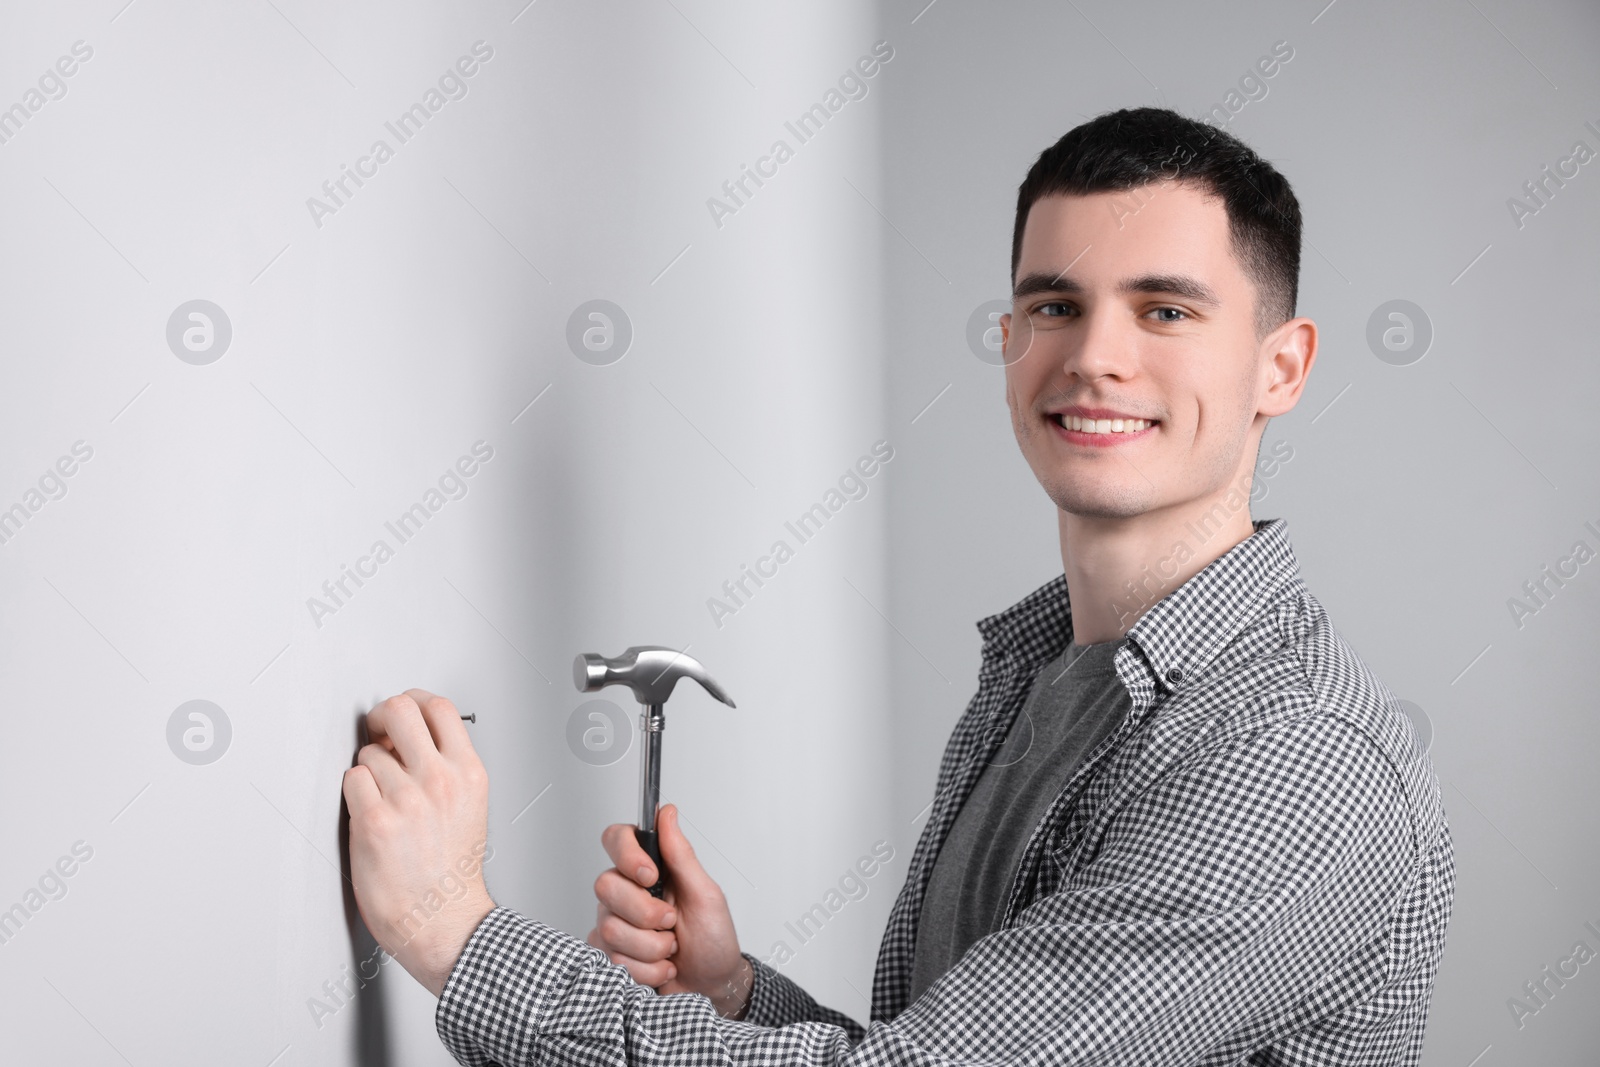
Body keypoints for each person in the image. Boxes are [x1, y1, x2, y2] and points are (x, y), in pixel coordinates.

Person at [342, 106, 1455, 1065]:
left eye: (1164, 310)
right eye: (1055, 305)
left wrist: (457, 936)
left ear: (1282, 365)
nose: (1094, 357)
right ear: (1012, 336)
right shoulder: (1048, 679)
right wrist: (733, 995)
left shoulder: (1291, 759)